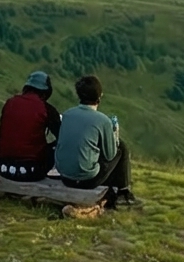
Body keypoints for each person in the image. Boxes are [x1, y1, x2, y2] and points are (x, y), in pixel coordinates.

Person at [54, 73, 135, 205]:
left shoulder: (68, 114)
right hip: (87, 180)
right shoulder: (103, 121)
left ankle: (118, 191)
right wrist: (113, 135)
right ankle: (122, 191)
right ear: (99, 96)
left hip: (65, 177)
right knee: (121, 148)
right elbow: (110, 155)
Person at [0, 70, 61, 181]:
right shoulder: (46, 109)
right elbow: (61, 136)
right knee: (57, 145)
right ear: (45, 92)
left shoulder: (10, 103)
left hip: (2, 167)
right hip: (31, 171)